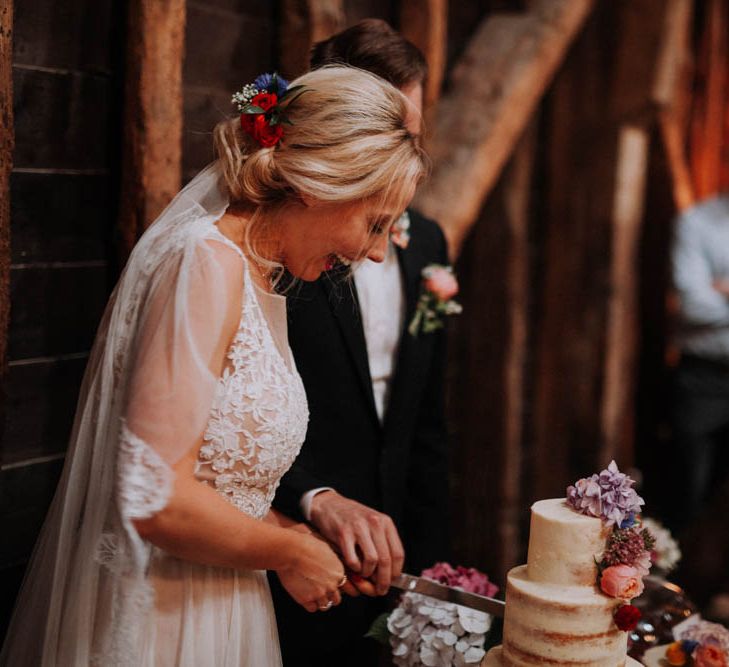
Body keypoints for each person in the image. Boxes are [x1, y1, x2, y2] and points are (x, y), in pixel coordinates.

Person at [0, 66, 427, 667]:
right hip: (164, 620)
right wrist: (287, 552)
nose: (376, 251)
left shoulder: (255, 276)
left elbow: (213, 480)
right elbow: (154, 496)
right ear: (316, 184)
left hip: (222, 606)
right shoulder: (202, 263)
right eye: (374, 222)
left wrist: (295, 534)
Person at [270, 20, 452, 666]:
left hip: (396, 553)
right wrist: (310, 501)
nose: (405, 149)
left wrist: (434, 572)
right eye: (388, 131)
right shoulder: (278, 243)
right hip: (290, 547)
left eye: (412, 130)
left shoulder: (428, 243)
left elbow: (422, 418)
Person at [671, 193, 729, 530]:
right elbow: (693, 305)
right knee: (689, 493)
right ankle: (688, 581)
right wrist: (707, 297)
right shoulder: (696, 222)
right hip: (702, 379)